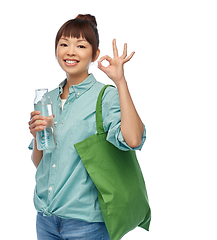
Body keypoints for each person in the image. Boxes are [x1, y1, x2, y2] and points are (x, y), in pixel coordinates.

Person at [28, 14, 146, 240]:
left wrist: (120, 81)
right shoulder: (48, 99)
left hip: (87, 224)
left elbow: (133, 140)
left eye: (80, 45)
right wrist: (37, 136)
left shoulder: (105, 96)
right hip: (46, 219)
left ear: (95, 54)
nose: (70, 52)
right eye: (64, 44)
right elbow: (41, 164)